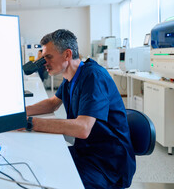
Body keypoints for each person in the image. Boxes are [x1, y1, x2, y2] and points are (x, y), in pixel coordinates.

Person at [25, 29, 136, 189]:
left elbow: (83, 128)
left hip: (107, 162)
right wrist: (22, 111)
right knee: (39, 163)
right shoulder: (71, 77)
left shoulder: (93, 77)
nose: (44, 63)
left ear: (67, 55)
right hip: (86, 151)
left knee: (50, 180)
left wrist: (30, 123)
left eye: (48, 57)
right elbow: (53, 103)